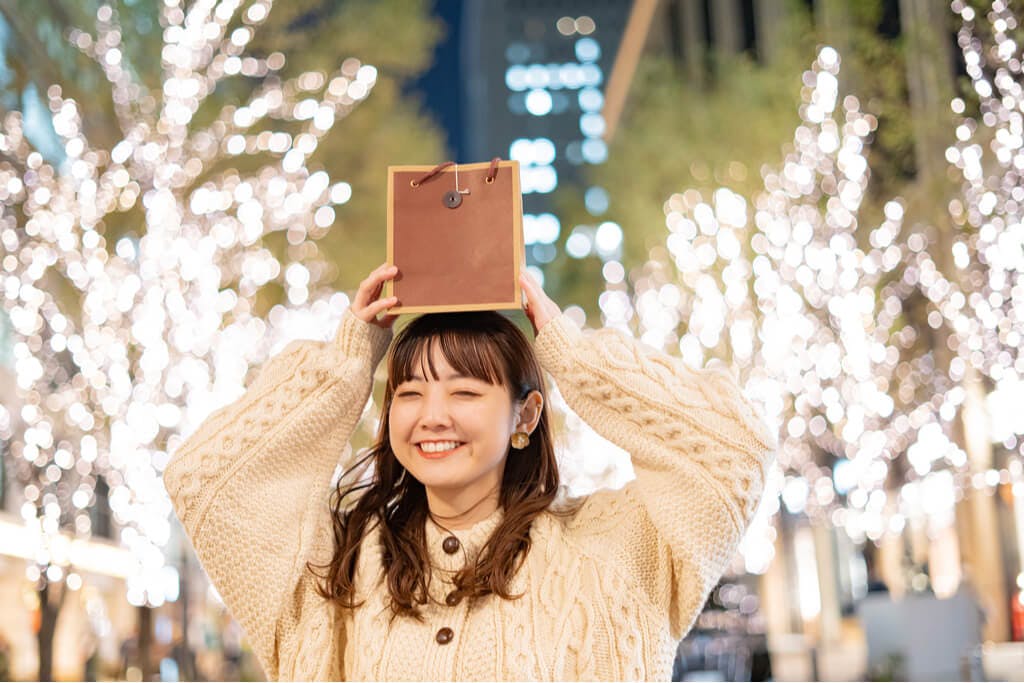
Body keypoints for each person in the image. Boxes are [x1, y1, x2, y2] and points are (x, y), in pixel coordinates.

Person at [163, 264, 775, 680]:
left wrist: (572, 352)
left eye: (465, 392)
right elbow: (204, 479)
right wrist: (348, 361)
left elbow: (734, 447)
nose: (432, 417)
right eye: (409, 392)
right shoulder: (338, 565)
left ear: (525, 414)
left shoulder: (618, 546)